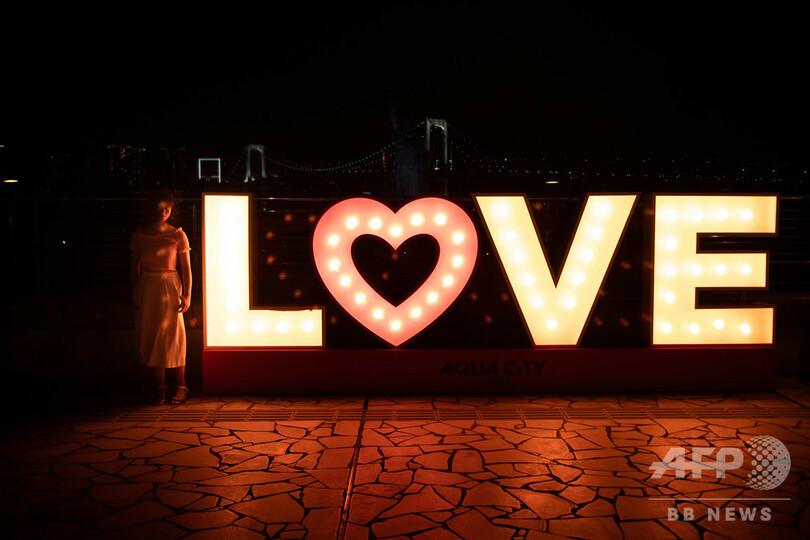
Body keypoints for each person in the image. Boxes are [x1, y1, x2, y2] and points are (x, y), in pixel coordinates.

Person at [129, 188, 191, 405]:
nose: (163, 212)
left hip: (170, 286)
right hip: (148, 287)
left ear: (171, 209)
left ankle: (181, 385)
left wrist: (187, 295)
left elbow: (186, 268)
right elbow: (134, 266)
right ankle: (161, 386)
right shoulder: (140, 235)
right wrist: (135, 291)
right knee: (153, 334)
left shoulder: (178, 235)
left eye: (167, 209)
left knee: (174, 335)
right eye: (159, 208)